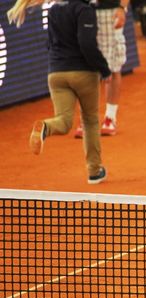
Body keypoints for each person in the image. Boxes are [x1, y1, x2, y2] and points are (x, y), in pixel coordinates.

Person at [8, 0, 112, 184]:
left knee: (63, 122)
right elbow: (86, 43)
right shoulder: (84, 10)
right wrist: (104, 69)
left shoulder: (54, 10)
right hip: (83, 73)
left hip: (56, 74)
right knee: (90, 121)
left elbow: (49, 43)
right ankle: (94, 171)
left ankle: (45, 127)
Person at [75, 0, 129, 138]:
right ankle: (86, 119)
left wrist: (122, 7)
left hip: (111, 11)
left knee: (113, 67)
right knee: (85, 67)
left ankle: (110, 118)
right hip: (85, 10)